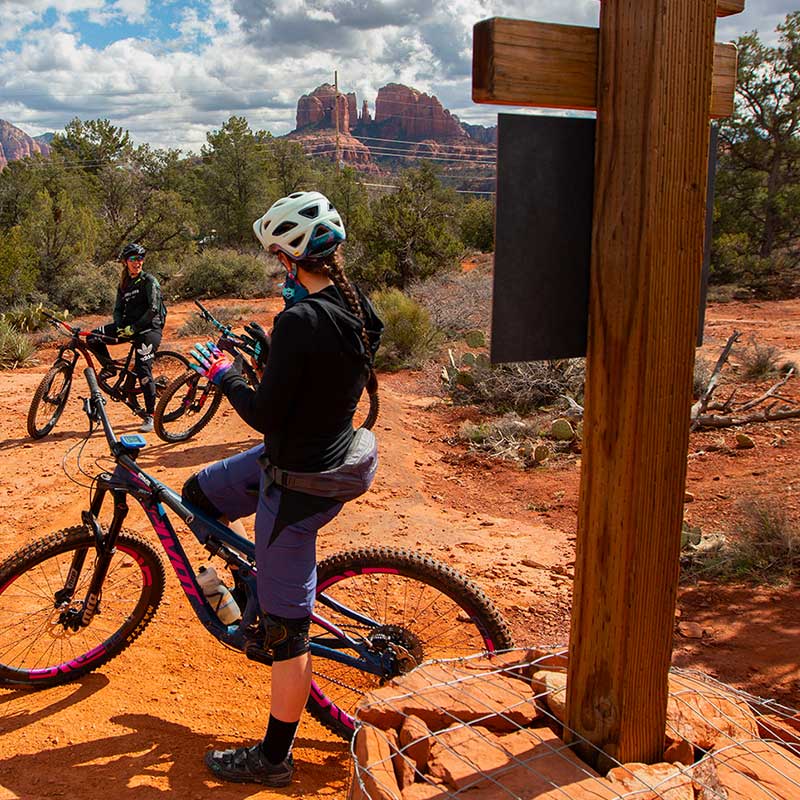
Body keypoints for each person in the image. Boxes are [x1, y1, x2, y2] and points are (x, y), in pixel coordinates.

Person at [182, 191, 383, 787]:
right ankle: (253, 590)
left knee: (287, 637)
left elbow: (266, 414)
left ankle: (273, 758)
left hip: (298, 482)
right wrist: (273, 354)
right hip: (309, 453)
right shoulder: (355, 306)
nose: (277, 268)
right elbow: (320, 382)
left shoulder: (299, 320)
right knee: (199, 494)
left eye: (277, 257)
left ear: (290, 259)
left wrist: (227, 377)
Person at [87, 242, 166, 433]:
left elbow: (153, 309)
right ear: (125, 262)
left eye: (140, 258)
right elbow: (117, 309)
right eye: (133, 259)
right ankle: (109, 367)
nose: (137, 262)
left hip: (149, 329)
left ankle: (150, 415)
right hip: (129, 327)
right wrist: (121, 326)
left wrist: (134, 328)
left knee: (142, 369)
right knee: (92, 338)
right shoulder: (124, 284)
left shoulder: (149, 281)